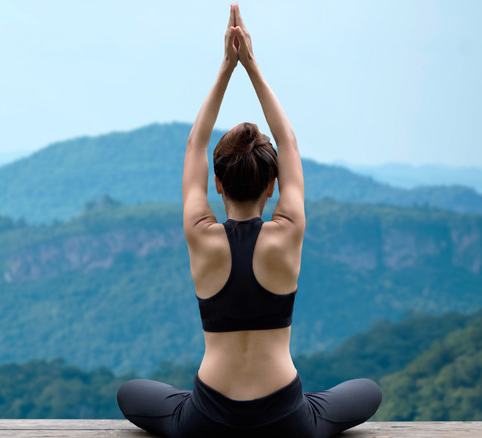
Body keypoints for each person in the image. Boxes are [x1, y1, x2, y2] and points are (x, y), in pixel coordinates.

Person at [117, 4, 381, 437]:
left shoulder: (201, 236)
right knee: (367, 390)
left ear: (217, 185)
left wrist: (226, 66)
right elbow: (289, 142)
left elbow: (193, 145)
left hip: (206, 416)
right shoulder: (288, 231)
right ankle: (306, 408)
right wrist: (251, 64)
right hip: (286, 417)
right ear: (273, 186)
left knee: (130, 391)